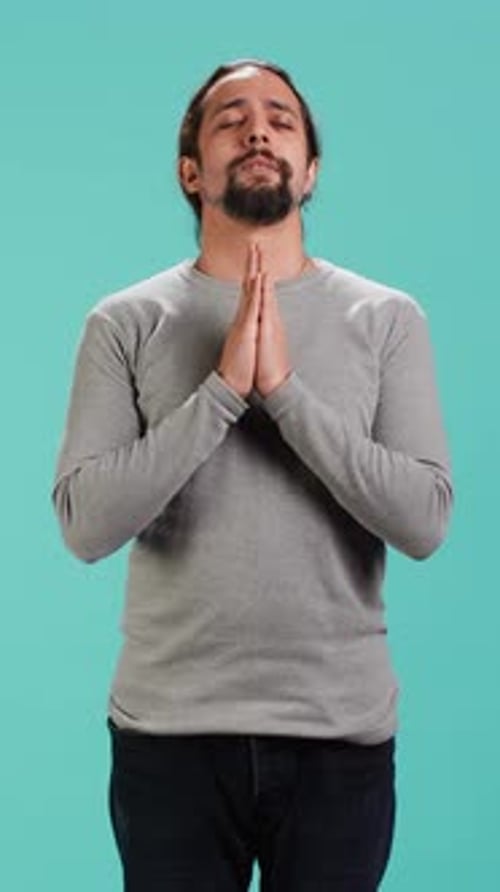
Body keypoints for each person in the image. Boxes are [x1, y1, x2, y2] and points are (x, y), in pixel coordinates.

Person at [51, 58, 453, 892]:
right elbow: (85, 524)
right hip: (169, 737)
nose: (258, 129)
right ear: (190, 170)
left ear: (310, 170)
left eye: (281, 118)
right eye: (230, 119)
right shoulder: (124, 322)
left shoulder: (384, 319)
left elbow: (423, 521)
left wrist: (286, 393)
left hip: (339, 738)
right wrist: (224, 391)